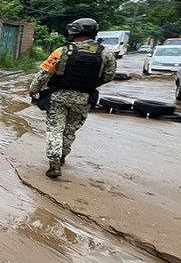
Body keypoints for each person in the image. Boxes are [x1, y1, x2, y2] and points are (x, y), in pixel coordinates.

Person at [28, 18, 116, 178]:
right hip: (84, 98)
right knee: (70, 130)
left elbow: (43, 74)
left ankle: (53, 161)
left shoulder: (61, 51)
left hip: (59, 97)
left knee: (55, 129)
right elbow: (108, 76)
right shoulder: (106, 53)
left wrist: (33, 90)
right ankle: (62, 156)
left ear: (74, 31)